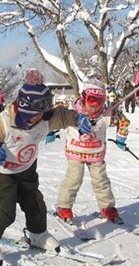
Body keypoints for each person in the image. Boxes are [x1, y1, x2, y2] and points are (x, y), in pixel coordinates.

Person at [0, 69, 93, 265]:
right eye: (28, 114)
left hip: (27, 169)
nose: (31, 119)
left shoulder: (46, 118)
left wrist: (80, 120)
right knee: (5, 210)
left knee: (35, 203)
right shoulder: (4, 122)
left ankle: (37, 234)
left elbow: (64, 115)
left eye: (36, 115)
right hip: (4, 172)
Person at [54, 79, 130, 223]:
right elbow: (57, 118)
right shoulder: (72, 112)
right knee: (74, 178)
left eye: (99, 103)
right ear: (83, 98)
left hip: (96, 153)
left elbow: (124, 121)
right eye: (91, 103)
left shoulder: (107, 114)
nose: (94, 108)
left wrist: (121, 137)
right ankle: (63, 206)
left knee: (101, 180)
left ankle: (107, 207)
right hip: (75, 152)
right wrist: (51, 132)